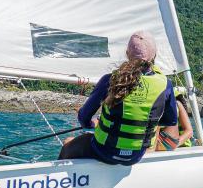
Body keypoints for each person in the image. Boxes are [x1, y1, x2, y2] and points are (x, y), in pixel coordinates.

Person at [58, 31, 176, 165]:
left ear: (127, 54)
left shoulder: (109, 79)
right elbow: (169, 120)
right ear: (154, 56)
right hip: (136, 155)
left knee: (68, 143)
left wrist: (92, 125)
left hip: (104, 151)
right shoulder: (166, 85)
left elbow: (83, 117)